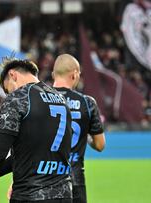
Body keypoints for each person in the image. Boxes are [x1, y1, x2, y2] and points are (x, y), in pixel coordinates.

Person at [0, 58, 73, 203]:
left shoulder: (18, 98)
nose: (9, 94)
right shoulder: (61, 99)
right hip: (64, 194)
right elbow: (26, 155)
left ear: (12, 75)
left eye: (7, 89)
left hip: (30, 195)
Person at [52, 54, 105, 203]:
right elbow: (100, 145)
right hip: (75, 180)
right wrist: (87, 137)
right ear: (75, 74)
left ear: (53, 74)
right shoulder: (87, 103)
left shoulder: (39, 99)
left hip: (43, 181)